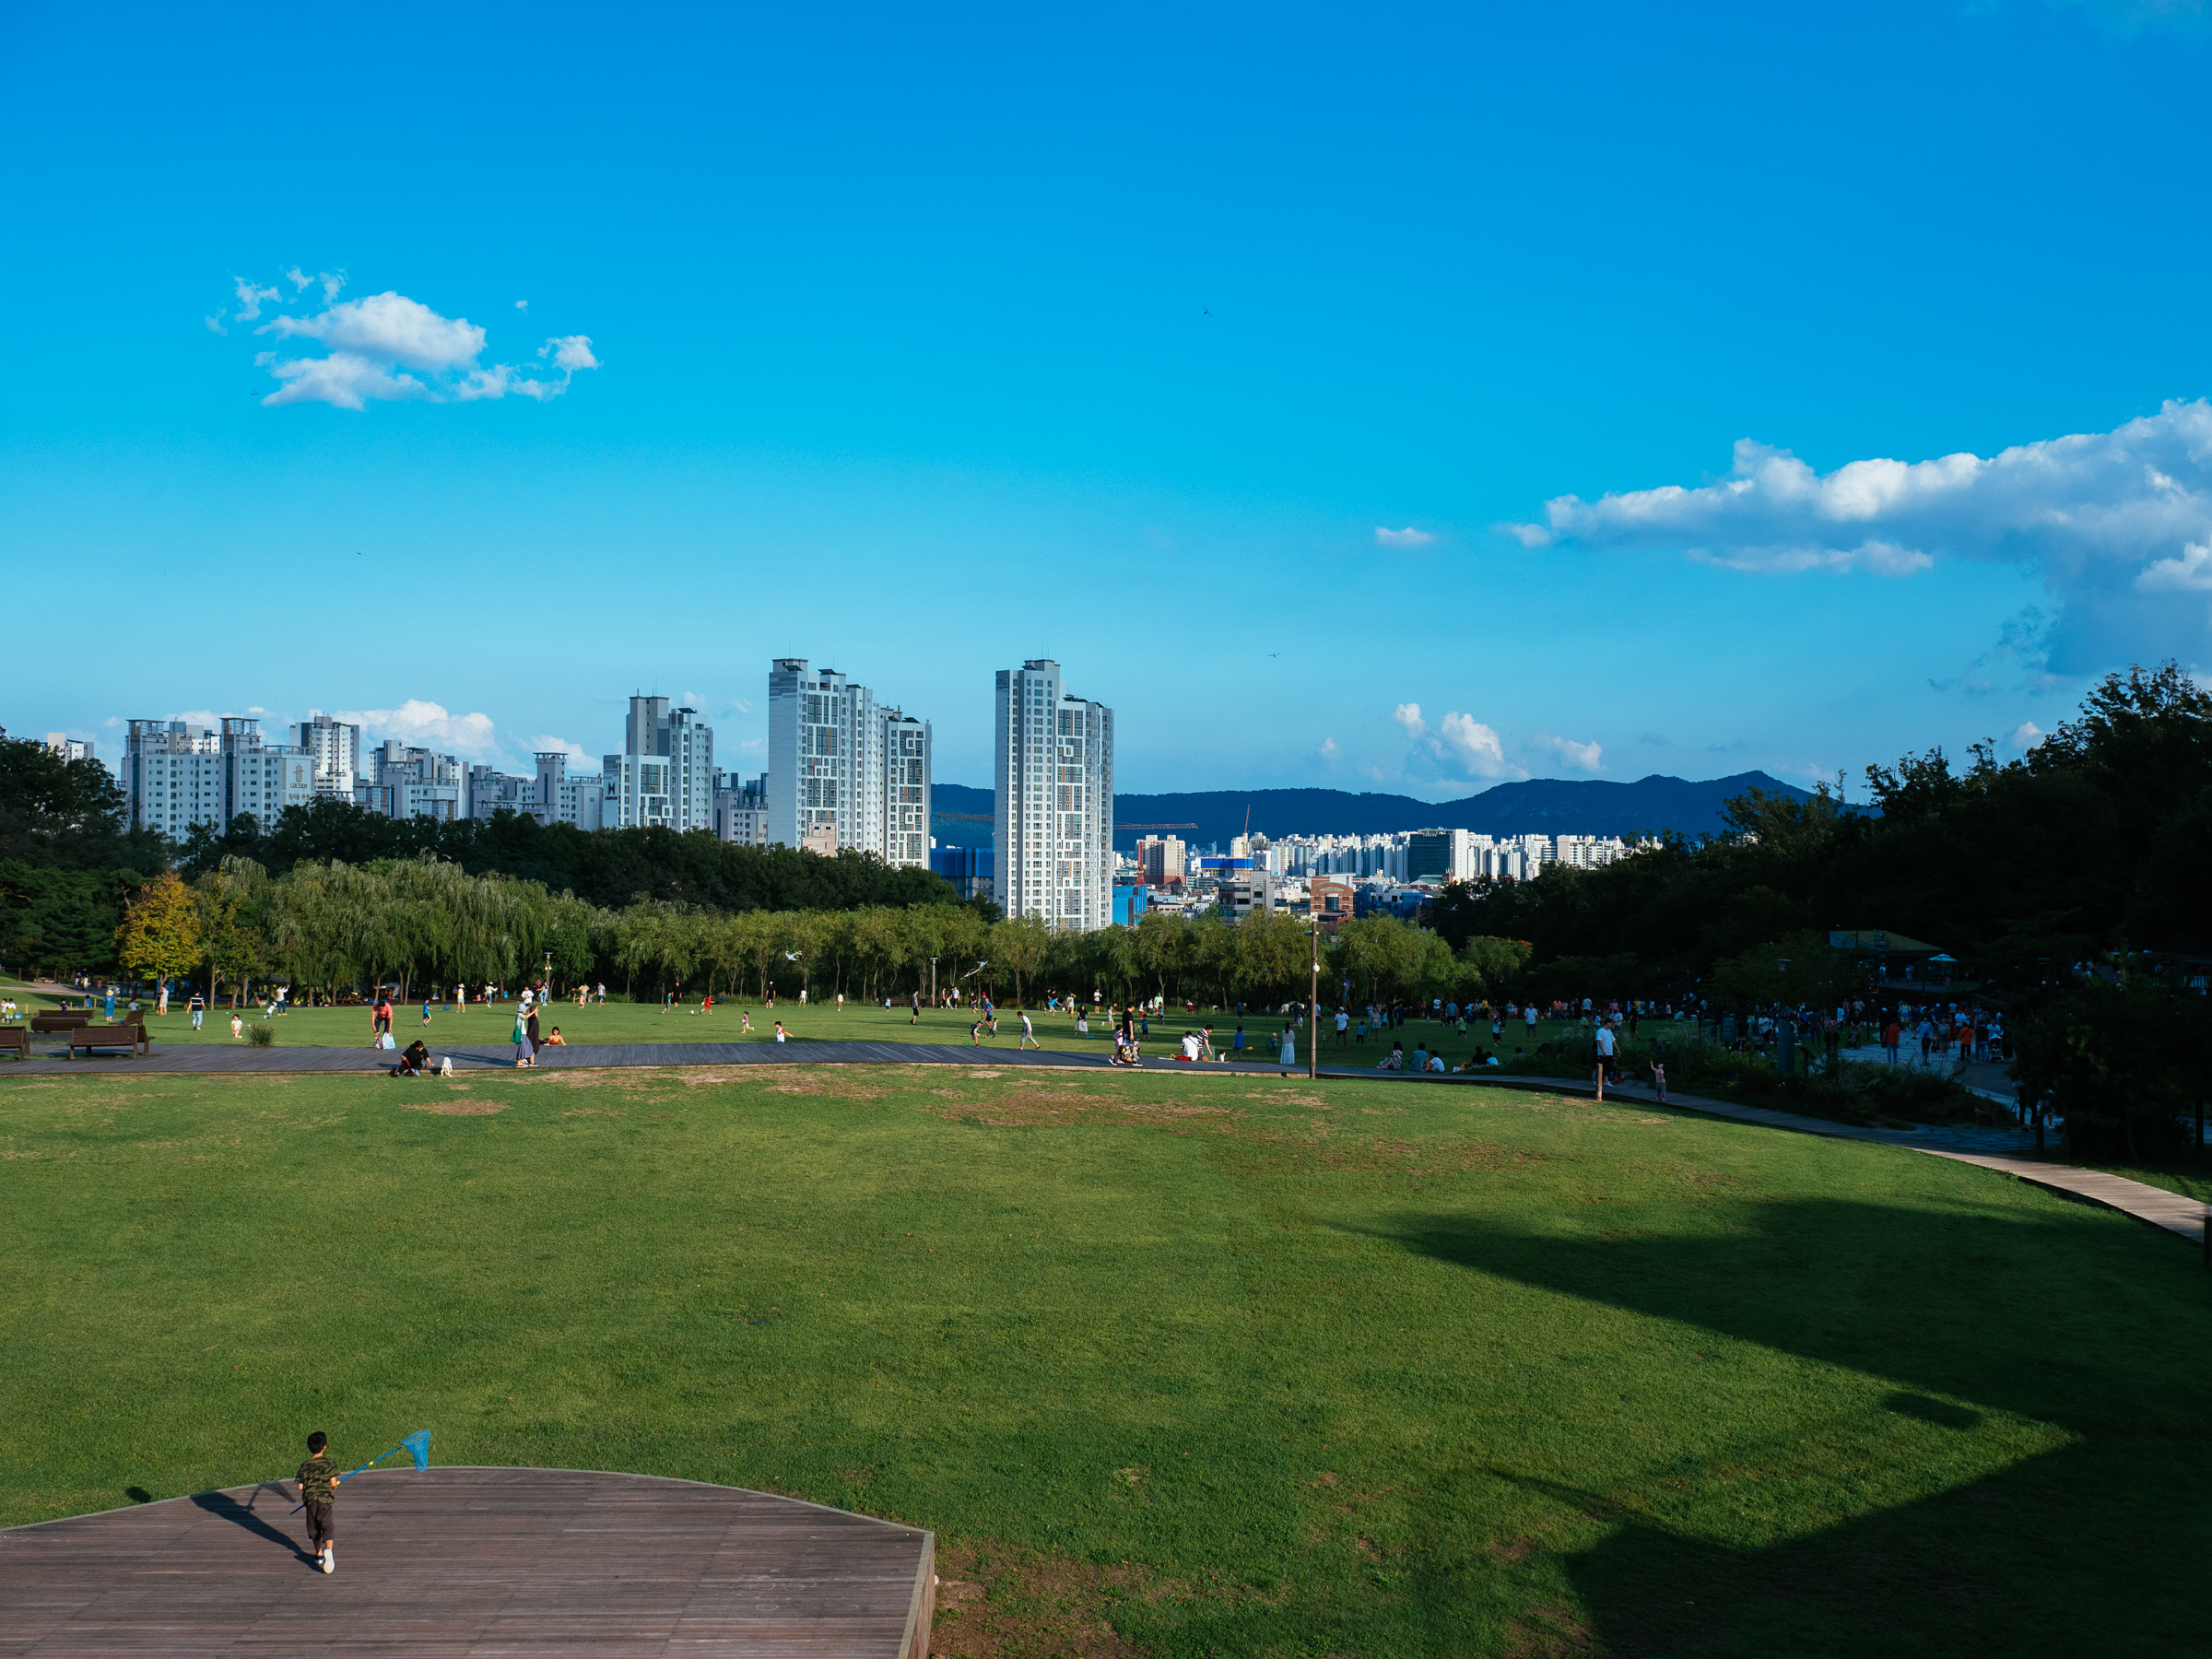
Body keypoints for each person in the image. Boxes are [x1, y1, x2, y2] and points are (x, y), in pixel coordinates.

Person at [296, 1430, 340, 1573]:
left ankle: (319, 1554)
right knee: (327, 1526)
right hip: (325, 1500)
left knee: (314, 1528)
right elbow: (333, 1483)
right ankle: (329, 1550)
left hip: (310, 1501)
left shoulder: (305, 1465)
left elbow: (300, 1486)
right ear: (324, 1447)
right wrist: (334, 1486)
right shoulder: (329, 1463)